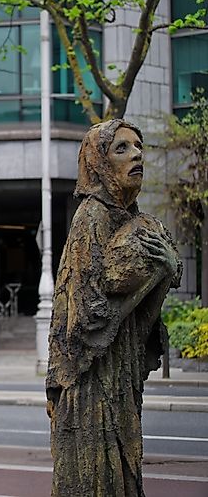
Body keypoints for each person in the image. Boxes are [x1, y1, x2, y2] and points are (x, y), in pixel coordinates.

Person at [47, 119, 180, 496]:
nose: (136, 154)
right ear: (98, 162)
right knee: (94, 478)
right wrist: (150, 280)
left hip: (121, 369)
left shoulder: (140, 222)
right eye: (121, 148)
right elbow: (84, 319)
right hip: (88, 378)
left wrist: (163, 274)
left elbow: (141, 322)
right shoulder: (91, 218)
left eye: (139, 146)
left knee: (125, 469)